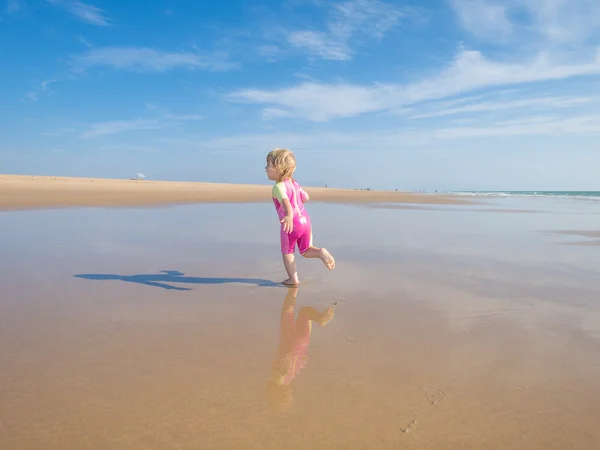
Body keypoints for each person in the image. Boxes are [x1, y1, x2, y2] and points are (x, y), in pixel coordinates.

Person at [265, 148, 335, 286]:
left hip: (291, 224)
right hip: (305, 220)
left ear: (279, 168)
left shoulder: (278, 187)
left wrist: (289, 216)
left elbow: (286, 203)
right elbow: (306, 197)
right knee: (305, 250)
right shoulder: (294, 184)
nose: (265, 168)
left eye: (269, 165)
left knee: (287, 251)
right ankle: (320, 252)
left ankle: (293, 279)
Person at [266, 287, 335, 411]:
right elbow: (282, 369)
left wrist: (301, 360)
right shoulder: (278, 381)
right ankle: (293, 289)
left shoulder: (290, 379)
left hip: (302, 345)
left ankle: (319, 319)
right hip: (290, 343)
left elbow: (300, 362)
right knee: (288, 310)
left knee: (305, 313)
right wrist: (283, 362)